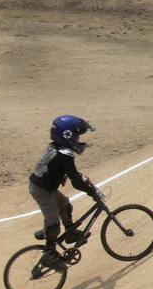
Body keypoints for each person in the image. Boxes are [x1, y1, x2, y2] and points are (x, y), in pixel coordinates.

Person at [29, 115, 100, 271]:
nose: (79, 140)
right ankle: (50, 255)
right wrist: (91, 192)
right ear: (68, 136)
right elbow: (75, 179)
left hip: (46, 188)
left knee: (65, 206)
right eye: (77, 136)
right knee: (53, 222)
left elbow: (74, 175)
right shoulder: (64, 155)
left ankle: (70, 233)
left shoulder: (56, 148)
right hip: (42, 191)